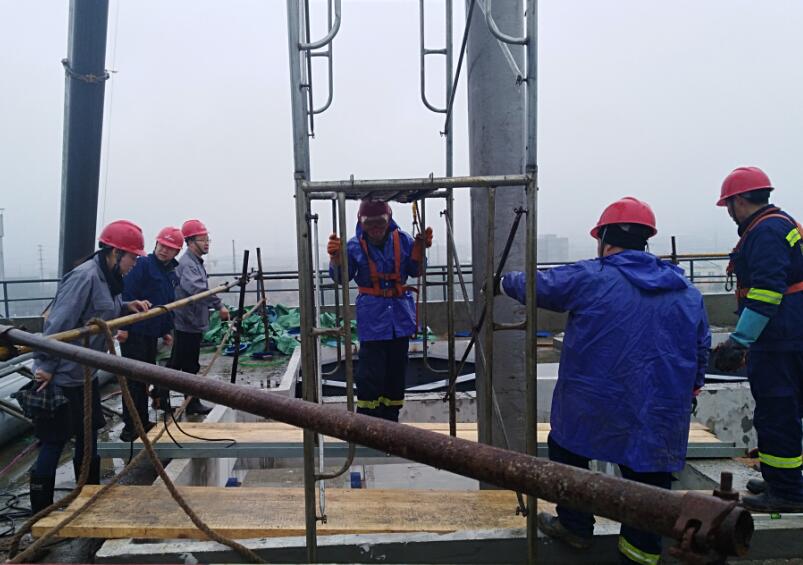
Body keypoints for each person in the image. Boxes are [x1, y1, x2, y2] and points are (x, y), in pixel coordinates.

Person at [498, 197, 709, 563]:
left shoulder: (592, 277)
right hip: (657, 410)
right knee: (649, 485)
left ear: (604, 239)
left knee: (567, 450)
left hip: (595, 401)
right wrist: (691, 387)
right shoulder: (686, 291)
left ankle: (576, 526)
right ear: (645, 240)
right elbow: (701, 347)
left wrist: (502, 282)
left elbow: (540, 285)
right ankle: (640, 554)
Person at [27, 220, 150, 514]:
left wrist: (126, 306)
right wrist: (45, 366)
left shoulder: (109, 277)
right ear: (115, 252)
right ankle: (41, 515)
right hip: (62, 376)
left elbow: (102, 308)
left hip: (87, 372)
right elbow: (58, 324)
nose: (134, 264)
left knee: (89, 435)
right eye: (132, 257)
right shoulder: (84, 277)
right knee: (54, 442)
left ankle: (89, 499)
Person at [712, 166, 803, 512]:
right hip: (788, 334)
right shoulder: (779, 223)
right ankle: (782, 479)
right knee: (785, 411)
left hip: (780, 339)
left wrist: (740, 341)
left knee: (777, 412)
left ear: (738, 200)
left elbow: (766, 292)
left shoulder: (765, 232)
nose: (729, 213)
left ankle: (787, 492)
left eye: (728, 205)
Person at [327, 199, 432, 421]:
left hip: (399, 318)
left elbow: (416, 271)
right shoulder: (353, 246)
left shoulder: (404, 240)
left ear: (389, 219)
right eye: (369, 223)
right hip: (372, 320)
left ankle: (390, 422)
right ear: (361, 222)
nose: (375, 228)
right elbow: (341, 278)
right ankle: (368, 422)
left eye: (380, 222)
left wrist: (419, 252)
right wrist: (336, 260)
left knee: (396, 374)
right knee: (370, 375)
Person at [115, 227, 182, 442]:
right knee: (134, 381)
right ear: (156, 244)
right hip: (135, 331)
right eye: (162, 245)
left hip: (151, 333)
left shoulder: (169, 272)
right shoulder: (143, 265)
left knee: (145, 379)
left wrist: (165, 331)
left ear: (176, 251)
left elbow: (167, 303)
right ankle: (132, 427)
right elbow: (126, 294)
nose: (164, 250)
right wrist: (123, 327)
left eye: (170, 248)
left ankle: (142, 421)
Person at [168, 219, 229, 415]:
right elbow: (198, 290)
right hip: (187, 321)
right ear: (190, 242)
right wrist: (219, 305)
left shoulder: (194, 262)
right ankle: (191, 403)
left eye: (207, 239)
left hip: (190, 320)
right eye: (202, 240)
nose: (206, 243)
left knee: (177, 362)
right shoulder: (188, 264)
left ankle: (159, 395)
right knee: (189, 364)